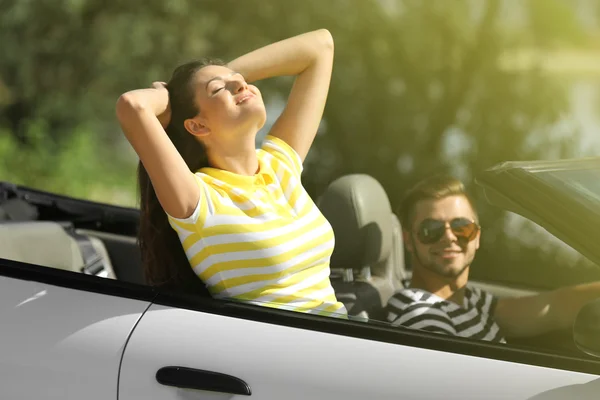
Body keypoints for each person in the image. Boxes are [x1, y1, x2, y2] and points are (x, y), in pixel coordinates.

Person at [115, 29, 347, 318]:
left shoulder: (279, 165)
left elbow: (320, 46)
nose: (239, 83)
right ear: (197, 126)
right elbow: (133, 106)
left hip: (340, 340)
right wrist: (169, 96)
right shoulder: (200, 200)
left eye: (241, 80)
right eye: (216, 89)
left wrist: (228, 75)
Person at [386, 175, 600, 342]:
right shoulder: (422, 316)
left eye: (461, 227)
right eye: (430, 229)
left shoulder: (469, 300)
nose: (449, 237)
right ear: (408, 239)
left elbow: (555, 306)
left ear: (476, 236)